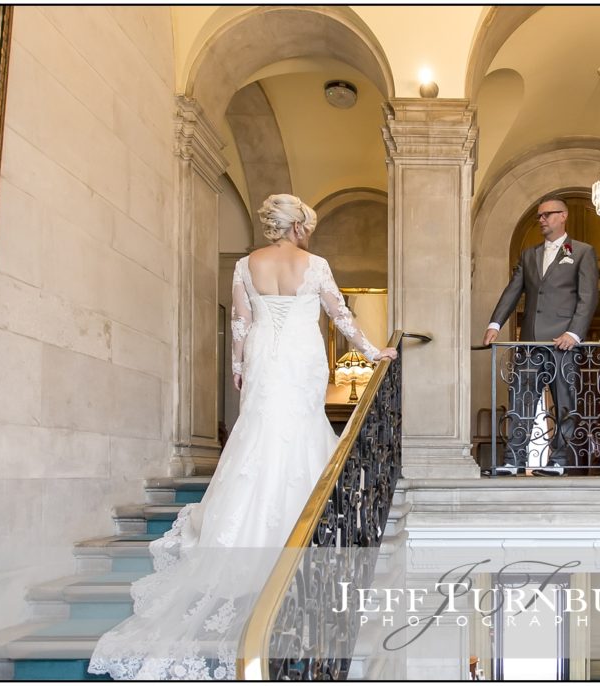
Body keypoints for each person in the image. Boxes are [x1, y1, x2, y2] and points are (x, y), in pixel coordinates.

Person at [89, 194, 397, 680]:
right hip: (301, 355)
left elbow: (241, 322)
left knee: (259, 430)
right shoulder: (315, 264)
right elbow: (340, 316)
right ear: (298, 226)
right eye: (307, 226)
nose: (309, 233)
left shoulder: (245, 264)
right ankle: (303, 530)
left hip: (263, 355)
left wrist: (238, 366)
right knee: (299, 426)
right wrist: (374, 351)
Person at [483, 196, 598, 476]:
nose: (541, 220)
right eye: (539, 216)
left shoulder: (582, 252)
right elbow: (513, 291)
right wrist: (495, 324)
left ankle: (559, 461)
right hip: (531, 342)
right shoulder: (529, 255)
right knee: (521, 401)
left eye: (547, 214)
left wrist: (574, 333)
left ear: (563, 216)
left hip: (563, 344)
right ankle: (514, 460)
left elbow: (588, 297)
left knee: (565, 403)